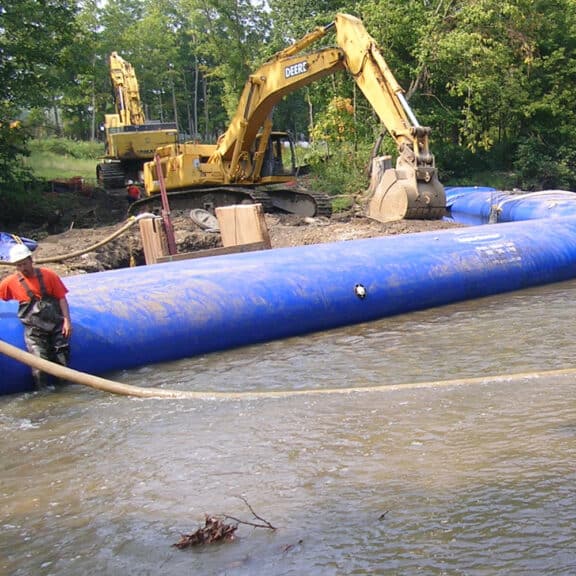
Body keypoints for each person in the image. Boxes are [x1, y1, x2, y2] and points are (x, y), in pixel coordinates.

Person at [0, 244, 72, 389]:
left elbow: (62, 298)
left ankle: (64, 391)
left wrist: (67, 321)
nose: (22, 268)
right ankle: (43, 394)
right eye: (19, 265)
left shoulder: (49, 275)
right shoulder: (10, 282)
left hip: (56, 325)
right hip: (34, 329)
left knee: (62, 361)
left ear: (31, 260)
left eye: (25, 264)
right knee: (38, 364)